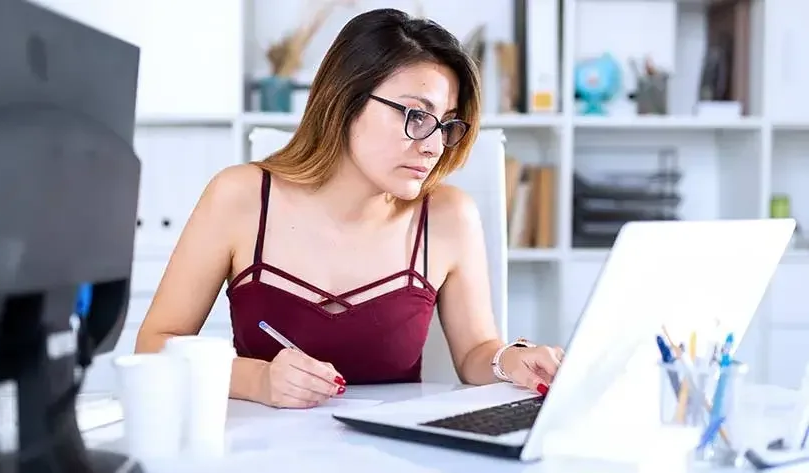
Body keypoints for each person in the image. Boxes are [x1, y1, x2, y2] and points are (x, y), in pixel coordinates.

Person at [134, 8, 564, 409]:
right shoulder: (240, 197)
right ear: (346, 100)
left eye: (446, 123)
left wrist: (511, 361)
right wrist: (257, 380)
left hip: (393, 456)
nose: (433, 145)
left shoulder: (450, 216)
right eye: (416, 115)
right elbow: (155, 344)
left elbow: (475, 352)